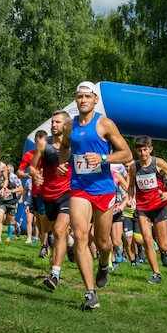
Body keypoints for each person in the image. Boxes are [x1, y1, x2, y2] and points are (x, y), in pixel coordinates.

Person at [59, 81, 133, 310]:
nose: (82, 101)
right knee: (80, 236)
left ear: (95, 100)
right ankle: (90, 293)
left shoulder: (105, 124)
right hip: (79, 187)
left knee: (104, 242)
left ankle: (103, 263)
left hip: (103, 188)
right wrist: (63, 161)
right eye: (79, 97)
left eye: (87, 97)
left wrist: (102, 159)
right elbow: (64, 146)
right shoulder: (70, 126)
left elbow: (127, 153)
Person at [127, 136, 167, 284]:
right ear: (136, 150)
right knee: (147, 240)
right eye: (139, 150)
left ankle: (164, 252)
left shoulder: (159, 163)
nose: (143, 153)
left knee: (164, 244)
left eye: (145, 149)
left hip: (159, 206)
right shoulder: (133, 167)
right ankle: (156, 274)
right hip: (143, 208)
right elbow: (131, 185)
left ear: (150, 149)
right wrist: (130, 197)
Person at [30, 110, 73, 290]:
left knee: (58, 229)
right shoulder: (43, 145)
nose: (54, 125)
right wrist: (36, 177)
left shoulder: (74, 145)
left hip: (69, 193)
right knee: (58, 233)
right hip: (48, 194)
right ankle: (71, 243)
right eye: (52, 122)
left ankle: (54, 274)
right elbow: (32, 167)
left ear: (66, 125)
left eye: (57, 122)